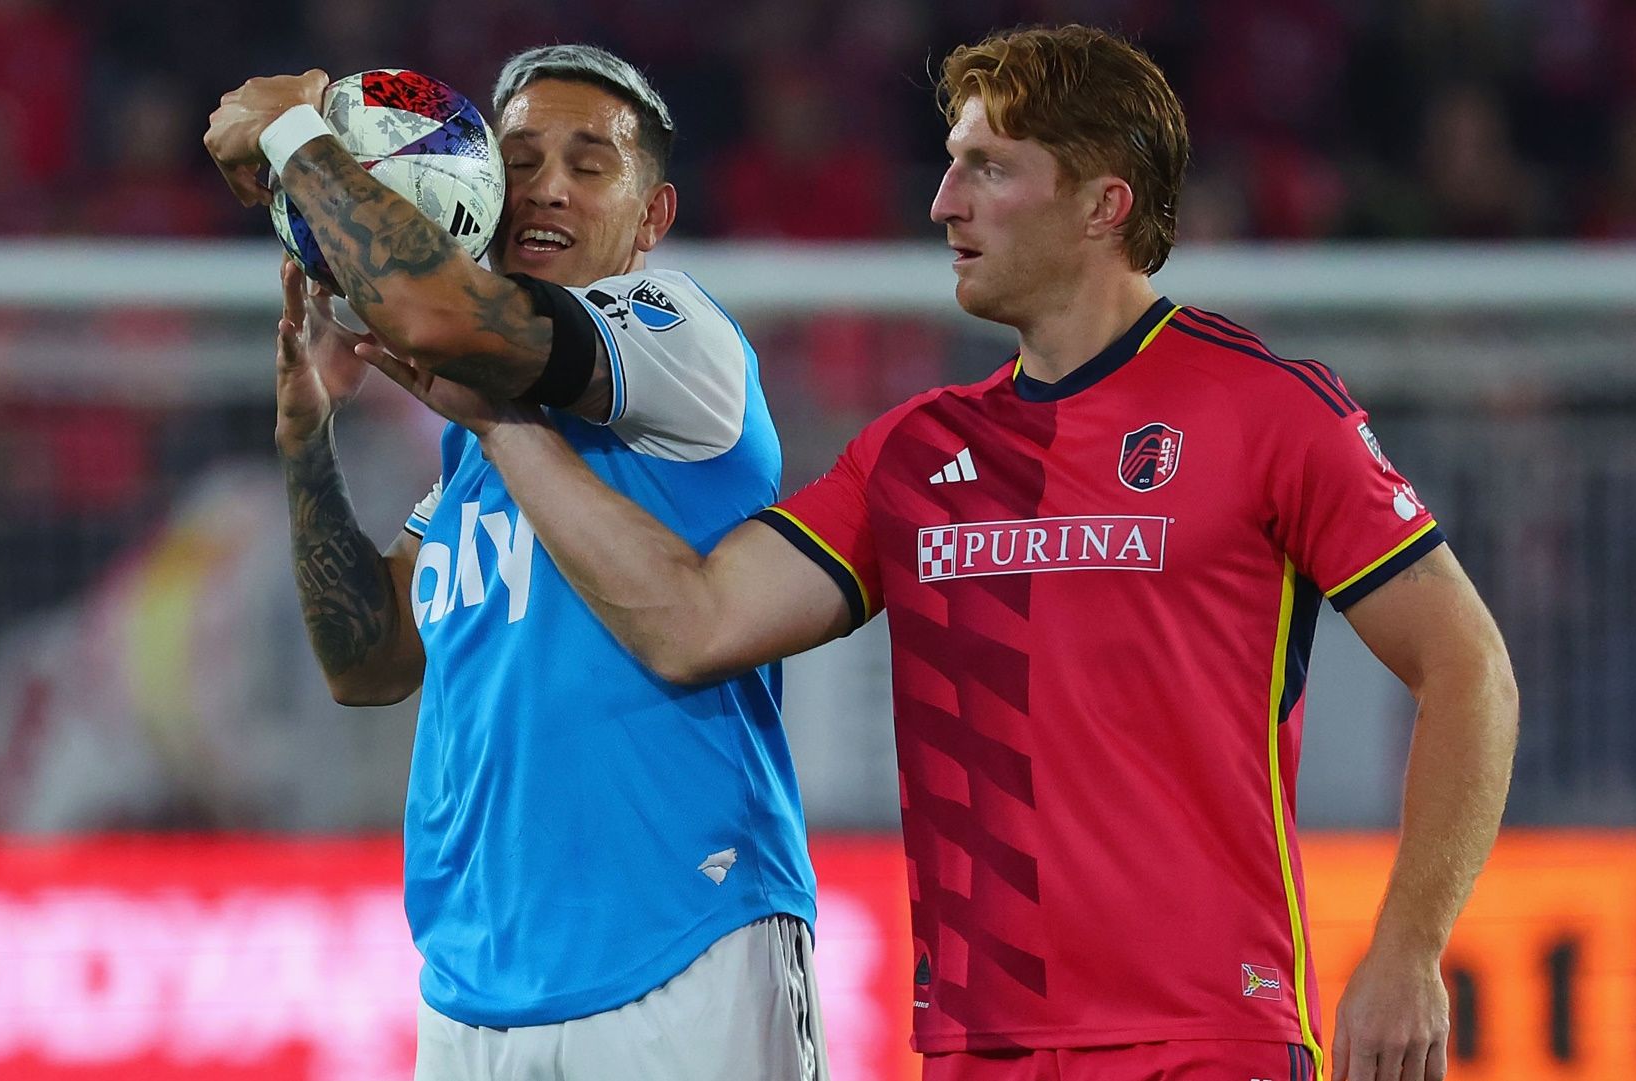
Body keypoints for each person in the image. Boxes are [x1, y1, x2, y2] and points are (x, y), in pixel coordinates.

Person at [362, 25, 1518, 1081]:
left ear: (1103, 203)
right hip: (978, 1048)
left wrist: (1410, 946)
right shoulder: (916, 454)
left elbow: (1469, 669)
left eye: (986, 167)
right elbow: (692, 626)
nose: (942, 202)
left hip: (1204, 1038)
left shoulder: (1269, 410)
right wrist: (504, 423)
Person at [202, 45, 826, 1081]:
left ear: (653, 217)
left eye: (590, 165)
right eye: (523, 159)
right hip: (475, 987)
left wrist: (298, 129)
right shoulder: (475, 442)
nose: (546, 187)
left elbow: (441, 312)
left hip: (684, 943)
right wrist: (304, 435)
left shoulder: (679, 335)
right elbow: (368, 661)